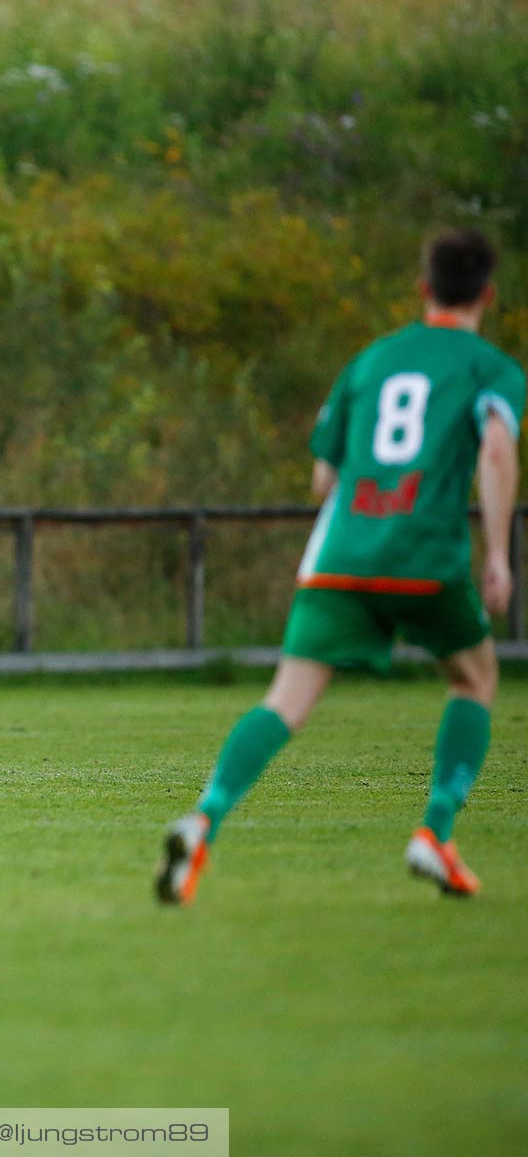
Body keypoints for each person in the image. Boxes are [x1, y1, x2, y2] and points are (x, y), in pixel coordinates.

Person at [157, 227, 522, 905]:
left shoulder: (371, 362)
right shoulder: (490, 368)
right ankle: (435, 831)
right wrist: (498, 554)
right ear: (488, 296)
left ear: (424, 290)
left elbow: (325, 479)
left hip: (338, 556)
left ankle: (204, 818)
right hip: (423, 555)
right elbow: (496, 451)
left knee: (285, 702)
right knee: (475, 678)